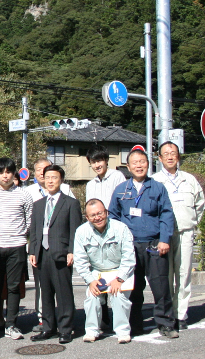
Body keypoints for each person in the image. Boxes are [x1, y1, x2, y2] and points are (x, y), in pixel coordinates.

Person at [109, 148, 178, 339]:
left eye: (142, 162)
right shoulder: (121, 189)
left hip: (154, 244)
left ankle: (166, 324)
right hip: (130, 246)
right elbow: (112, 216)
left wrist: (165, 239)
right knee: (133, 288)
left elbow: (166, 214)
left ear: (148, 164)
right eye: (135, 163)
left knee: (161, 287)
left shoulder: (157, 187)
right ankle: (134, 325)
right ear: (129, 167)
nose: (139, 165)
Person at [150, 141, 205, 330]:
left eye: (173, 153)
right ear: (160, 158)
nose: (170, 156)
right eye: (166, 153)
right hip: (163, 237)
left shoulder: (190, 179)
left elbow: (200, 204)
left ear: (178, 156)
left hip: (185, 232)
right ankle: (168, 314)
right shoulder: (154, 181)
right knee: (165, 276)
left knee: (183, 274)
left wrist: (192, 222)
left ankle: (181, 314)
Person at [29, 165, 82, 344]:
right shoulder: (38, 204)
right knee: (46, 293)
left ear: (61, 180)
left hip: (61, 253)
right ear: (42, 179)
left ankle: (66, 329)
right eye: (47, 177)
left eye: (54, 177)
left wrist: (72, 251)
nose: (50, 181)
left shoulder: (70, 203)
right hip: (42, 253)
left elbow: (75, 230)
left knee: (64, 292)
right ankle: (48, 327)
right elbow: (34, 231)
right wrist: (32, 251)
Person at [73, 198, 136, 344]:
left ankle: (123, 331)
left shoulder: (121, 228)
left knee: (118, 295)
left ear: (106, 212)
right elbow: (81, 261)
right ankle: (92, 331)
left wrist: (119, 278)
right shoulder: (81, 232)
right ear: (87, 217)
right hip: (97, 272)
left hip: (119, 270)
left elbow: (129, 257)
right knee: (92, 296)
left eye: (100, 213)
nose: (97, 217)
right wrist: (90, 281)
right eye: (93, 215)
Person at [0, 157, 32, 341]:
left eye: (9, 172)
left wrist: (19, 235)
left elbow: (29, 220)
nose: (5, 175)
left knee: (13, 287)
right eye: (1, 172)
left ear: (14, 174)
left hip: (17, 246)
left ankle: (12, 324)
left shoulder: (24, 195)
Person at [83, 146, 125, 330]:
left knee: (114, 269)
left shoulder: (118, 177)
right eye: (94, 162)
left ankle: (118, 316)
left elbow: (122, 204)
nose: (97, 164)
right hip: (96, 232)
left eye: (100, 160)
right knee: (98, 271)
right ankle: (103, 312)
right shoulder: (90, 184)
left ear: (106, 160)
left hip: (114, 230)